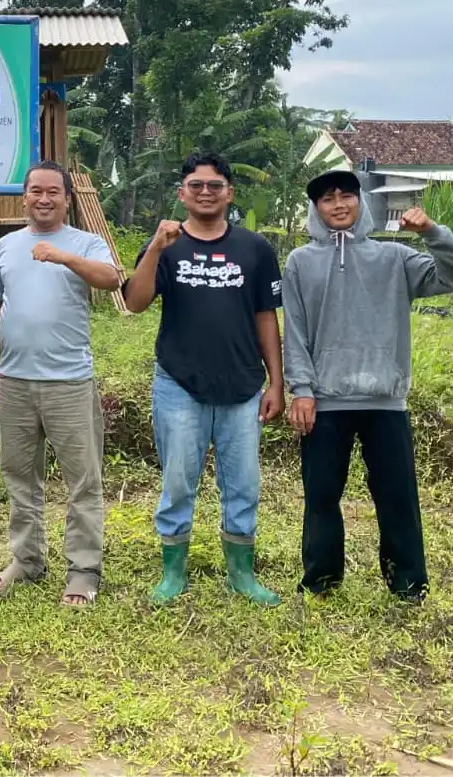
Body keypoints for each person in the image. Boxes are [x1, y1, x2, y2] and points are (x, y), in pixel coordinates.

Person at [282, 170, 453, 603]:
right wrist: (301, 389)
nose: (339, 204)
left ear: (361, 202)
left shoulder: (395, 259)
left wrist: (432, 232)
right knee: (322, 496)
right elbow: (294, 331)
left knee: (397, 495)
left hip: (386, 400)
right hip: (325, 401)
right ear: (316, 209)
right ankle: (321, 581)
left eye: (347, 195)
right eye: (328, 198)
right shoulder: (300, 262)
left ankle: (408, 583)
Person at [122, 150, 285, 608]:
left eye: (215, 185)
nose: (206, 192)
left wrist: (276, 382)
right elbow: (134, 303)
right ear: (182, 193)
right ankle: (173, 573)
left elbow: (265, 317)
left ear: (229, 193)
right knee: (178, 482)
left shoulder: (254, 249)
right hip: (179, 384)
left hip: (242, 385)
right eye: (196, 186)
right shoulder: (167, 245)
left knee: (244, 484)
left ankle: (242, 574)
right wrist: (155, 246)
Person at [0, 160, 121, 606]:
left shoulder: (87, 243)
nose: (44, 199)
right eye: (36, 192)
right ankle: (26, 559)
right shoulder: (6, 246)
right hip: (15, 382)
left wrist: (63, 256)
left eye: (53, 192)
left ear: (67, 198)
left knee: (83, 480)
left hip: (69, 382)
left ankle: (83, 570)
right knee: (20, 476)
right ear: (23, 197)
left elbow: (111, 279)